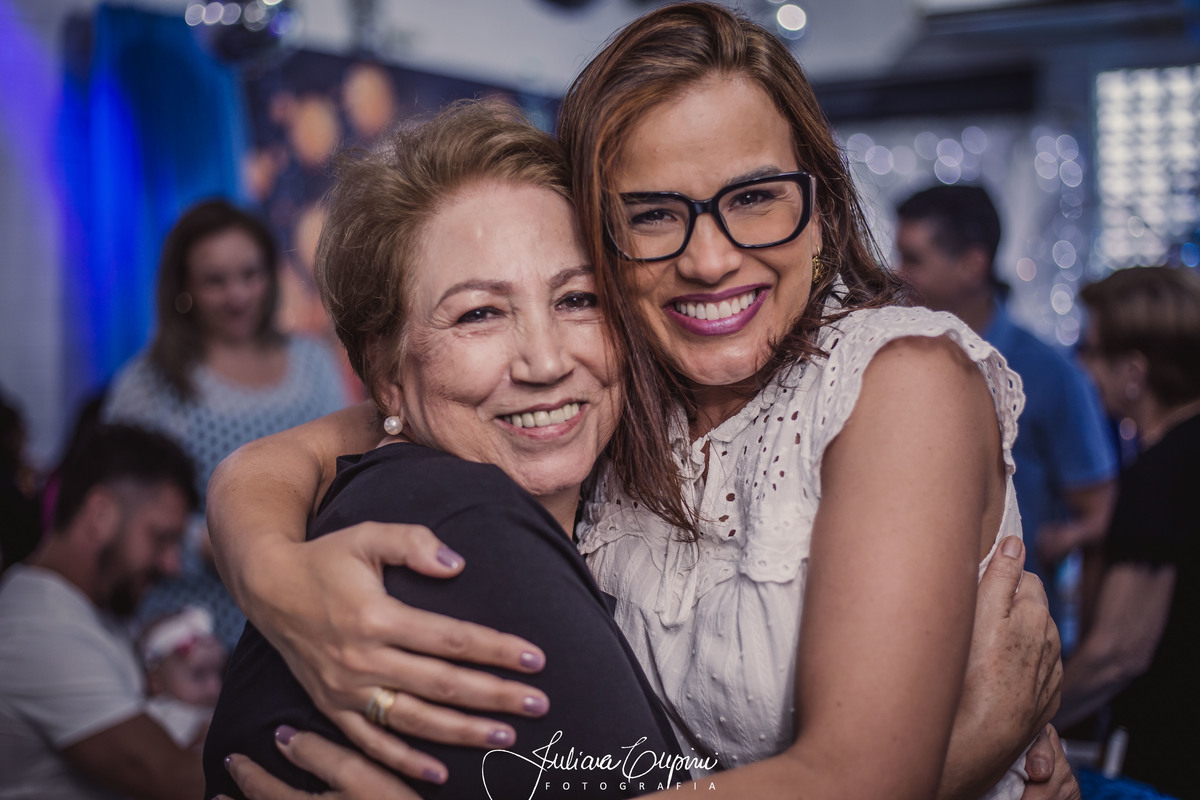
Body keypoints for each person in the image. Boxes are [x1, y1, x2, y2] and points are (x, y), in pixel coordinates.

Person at [209, 5, 1071, 800]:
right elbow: (305, 450)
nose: (710, 259)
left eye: (755, 197)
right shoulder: (624, 400)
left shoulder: (896, 378)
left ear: (823, 206)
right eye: (655, 214)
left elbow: (863, 779)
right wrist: (268, 570)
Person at [203, 101, 688, 800]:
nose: (547, 360)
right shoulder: (465, 523)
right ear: (387, 375)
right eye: (479, 313)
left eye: (577, 299)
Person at [103, 199, 347, 649]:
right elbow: (122, 513)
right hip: (199, 626)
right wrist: (227, 540)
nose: (238, 295)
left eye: (250, 275)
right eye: (216, 281)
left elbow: (351, 463)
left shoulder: (313, 360)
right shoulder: (149, 383)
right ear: (183, 286)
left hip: (312, 605)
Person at [895, 184, 1117, 636]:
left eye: (912, 259)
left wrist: (1083, 648)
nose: (897, 274)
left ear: (972, 264)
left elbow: (1101, 508)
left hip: (1010, 629)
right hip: (912, 622)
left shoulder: (1047, 373)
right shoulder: (895, 360)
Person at [1054, 266, 1200, 798]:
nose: (1082, 366)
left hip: (1172, 759)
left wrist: (1017, 722)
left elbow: (1119, 652)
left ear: (1134, 370)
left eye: (1091, 350)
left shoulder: (1163, 472)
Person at [0, 424, 203, 799]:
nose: (172, 564)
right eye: (161, 538)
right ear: (100, 515)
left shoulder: (90, 610)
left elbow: (161, 720)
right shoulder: (37, 628)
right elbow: (173, 779)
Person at [140, 605, 227, 747]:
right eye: (199, 675)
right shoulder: (162, 713)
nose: (215, 687)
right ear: (157, 682)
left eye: (220, 674)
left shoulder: (205, 707)